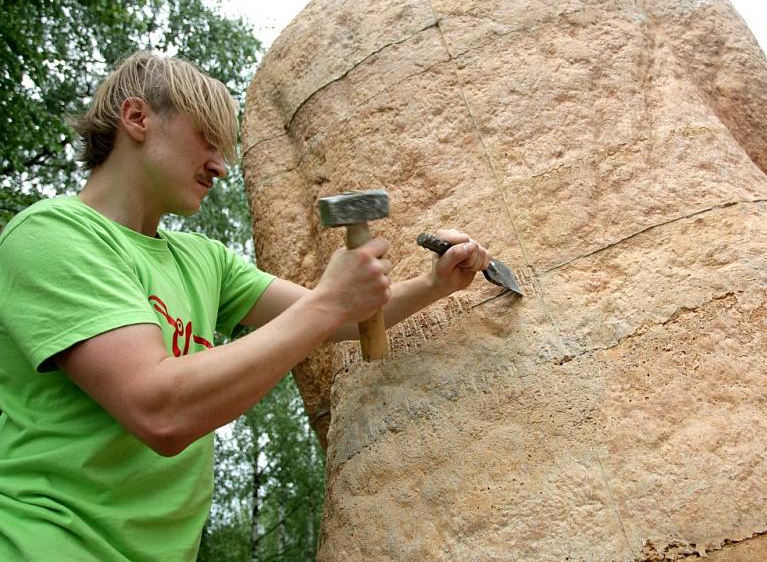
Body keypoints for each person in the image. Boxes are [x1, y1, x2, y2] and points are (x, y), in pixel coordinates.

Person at [0, 51, 492, 560]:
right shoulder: (50, 235)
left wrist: (435, 283)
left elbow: (338, 318)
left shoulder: (202, 259)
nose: (220, 165)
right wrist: (328, 301)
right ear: (137, 118)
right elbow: (159, 410)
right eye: (207, 139)